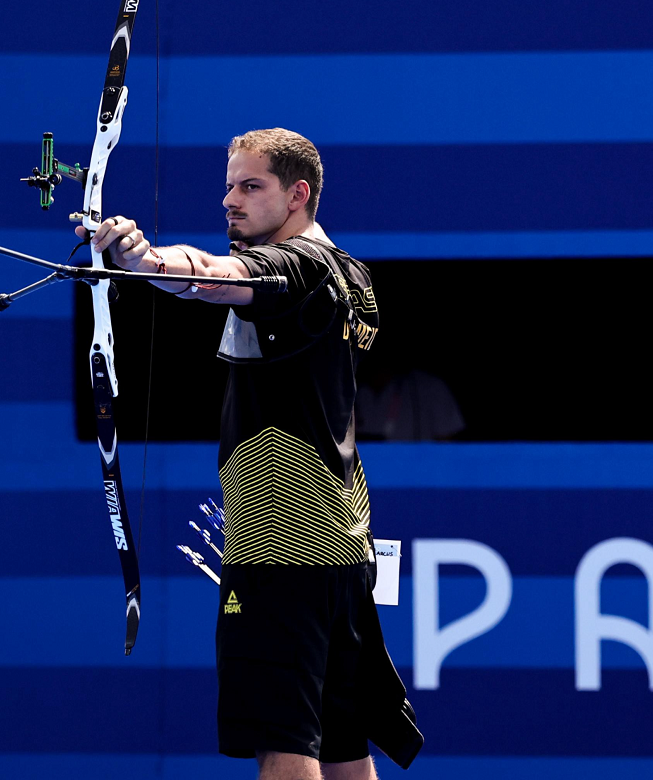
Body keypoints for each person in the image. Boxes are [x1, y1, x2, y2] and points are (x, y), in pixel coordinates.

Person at [78, 128, 421, 780]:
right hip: (343, 547)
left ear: (299, 194)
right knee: (344, 748)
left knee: (285, 746)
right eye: (229, 185)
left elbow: (217, 275)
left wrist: (147, 261)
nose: (230, 200)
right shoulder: (353, 276)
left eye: (250, 186)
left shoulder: (296, 266)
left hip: (280, 550)